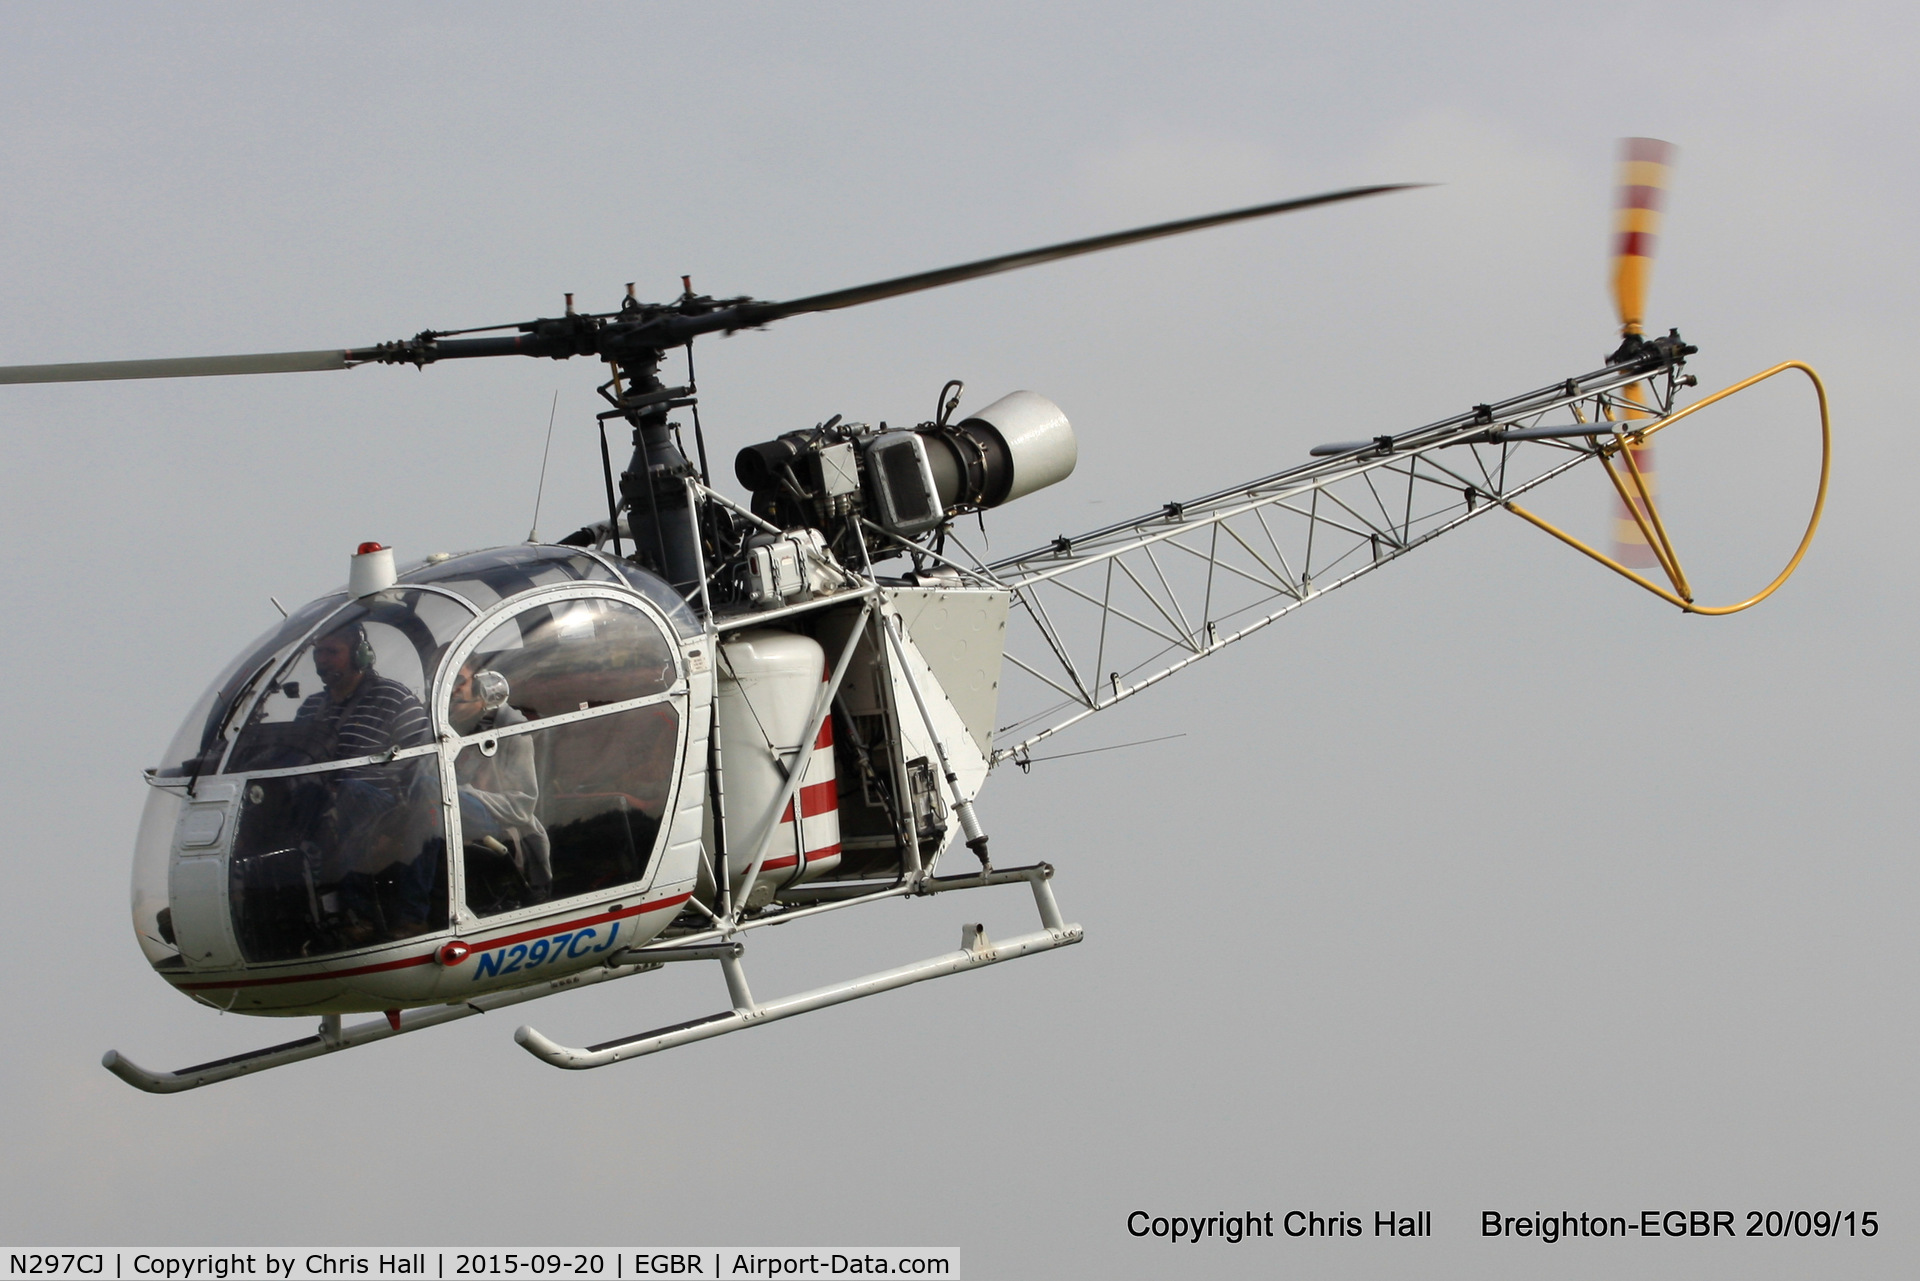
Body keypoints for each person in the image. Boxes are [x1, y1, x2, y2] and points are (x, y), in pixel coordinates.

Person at [292, 621, 436, 937]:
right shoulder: (312, 708)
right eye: (318, 653)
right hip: (324, 802)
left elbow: (422, 761)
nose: (323, 660)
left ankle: (360, 913)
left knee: (349, 790)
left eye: (332, 652)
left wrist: (401, 820)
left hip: (385, 804)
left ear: (360, 655)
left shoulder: (394, 698)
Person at [449, 662, 551, 905]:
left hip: (501, 829)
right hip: (455, 822)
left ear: (479, 685)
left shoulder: (511, 732)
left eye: (459, 681)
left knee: (431, 790)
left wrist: (462, 795)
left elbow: (522, 807)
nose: (453, 690)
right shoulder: (446, 730)